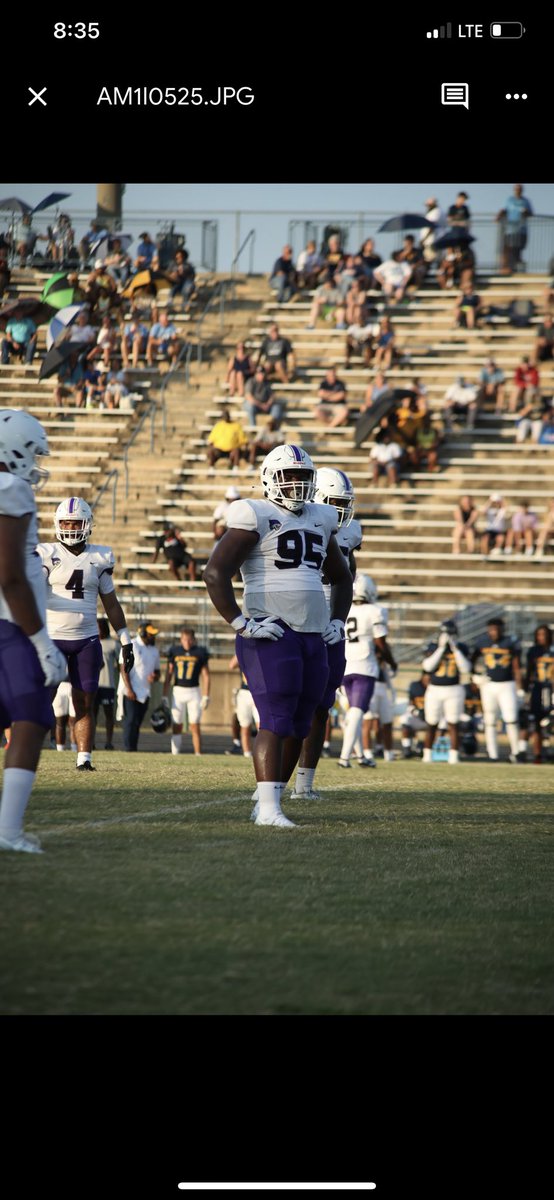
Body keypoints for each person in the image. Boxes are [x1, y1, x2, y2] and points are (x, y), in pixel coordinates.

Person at [203, 443, 353, 828]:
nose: (296, 484)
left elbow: (341, 576)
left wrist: (337, 619)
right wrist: (241, 622)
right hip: (271, 630)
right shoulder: (254, 513)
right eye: (289, 476)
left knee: (301, 722)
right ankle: (268, 808)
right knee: (276, 718)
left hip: (314, 632)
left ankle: (270, 799)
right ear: (270, 478)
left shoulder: (321, 517)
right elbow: (215, 572)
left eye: (303, 477)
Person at [0, 412, 67, 853]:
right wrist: (42, 642)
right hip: (10, 623)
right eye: (34, 451)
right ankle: (8, 831)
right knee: (31, 719)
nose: (37, 462)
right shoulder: (12, 488)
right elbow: (10, 576)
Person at [36, 496, 134, 771]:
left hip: (87, 640)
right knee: (42, 699)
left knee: (84, 702)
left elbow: (111, 603)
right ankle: (30, 751)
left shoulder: (99, 557)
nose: (69, 527)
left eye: (75, 522)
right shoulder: (46, 553)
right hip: (52, 637)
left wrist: (125, 639)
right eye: (65, 522)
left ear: (87, 525)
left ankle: (84, 759)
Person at [289, 468, 362, 800]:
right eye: (333, 502)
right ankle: (274, 780)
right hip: (298, 620)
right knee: (289, 703)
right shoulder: (300, 521)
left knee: (322, 706)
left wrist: (339, 617)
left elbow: (348, 572)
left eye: (344, 503)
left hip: (330, 626)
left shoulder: (349, 532)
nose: (340, 510)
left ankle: (304, 785)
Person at [337, 574, 396, 768]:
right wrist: (392, 662)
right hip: (365, 665)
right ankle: (345, 757)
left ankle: (361, 755)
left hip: (344, 664)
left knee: (352, 714)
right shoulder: (375, 610)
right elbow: (380, 642)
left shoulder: (343, 607)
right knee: (356, 712)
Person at [472, 616, 523, 762]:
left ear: (502, 630)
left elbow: (517, 665)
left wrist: (520, 687)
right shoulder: (482, 642)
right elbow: (472, 660)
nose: (494, 633)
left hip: (507, 684)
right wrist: (474, 676)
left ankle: (516, 753)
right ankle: (492, 754)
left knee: (511, 719)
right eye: (491, 630)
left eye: (496, 629)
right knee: (490, 720)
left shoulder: (510, 642)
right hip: (488, 685)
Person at [422, 619, 471, 764]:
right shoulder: (433, 646)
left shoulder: (461, 647)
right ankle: (427, 754)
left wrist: (455, 649)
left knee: (453, 723)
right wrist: (441, 648)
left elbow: (466, 669)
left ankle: (454, 756)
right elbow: (428, 667)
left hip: (454, 689)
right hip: (435, 689)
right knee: (431, 722)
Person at [163, 627, 210, 756]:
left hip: (194, 691)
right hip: (178, 691)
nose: (187, 642)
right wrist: (164, 695)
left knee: (195, 725)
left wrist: (206, 695)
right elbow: (169, 674)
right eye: (184, 640)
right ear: (180, 640)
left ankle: (198, 753)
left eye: (189, 640)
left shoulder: (200, 652)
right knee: (177, 724)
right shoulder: (175, 651)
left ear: (194, 640)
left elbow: (206, 675)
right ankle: (175, 753)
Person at [117, 623, 160, 751]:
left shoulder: (154, 650)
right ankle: (128, 749)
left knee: (137, 723)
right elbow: (123, 669)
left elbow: (157, 671)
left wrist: (155, 677)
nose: (153, 637)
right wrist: (129, 689)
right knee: (130, 722)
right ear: (142, 633)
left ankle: (133, 749)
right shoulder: (132, 645)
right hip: (130, 691)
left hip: (145, 692)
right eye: (150, 634)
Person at [524, 625, 554, 763]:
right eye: (540, 634)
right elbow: (529, 672)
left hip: (552, 689)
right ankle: (537, 755)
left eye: (545, 634)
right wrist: (525, 691)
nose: (542, 637)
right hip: (538, 689)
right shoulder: (533, 651)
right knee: (536, 722)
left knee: (549, 722)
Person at [94, 618, 118, 750]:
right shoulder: (90, 641)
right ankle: (90, 741)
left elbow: (121, 664)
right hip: (93, 684)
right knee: (92, 714)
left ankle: (109, 742)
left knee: (109, 715)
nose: (98, 630)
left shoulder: (113, 644)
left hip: (108, 684)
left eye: (100, 627)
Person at [497, 184, 533, 273]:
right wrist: (499, 216)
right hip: (510, 229)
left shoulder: (526, 201)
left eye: (519, 189)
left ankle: (516, 268)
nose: (517, 191)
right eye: (516, 189)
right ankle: (509, 267)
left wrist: (526, 212)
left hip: (521, 230)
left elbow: (531, 213)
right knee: (509, 249)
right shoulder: (509, 200)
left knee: (518, 249)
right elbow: (504, 210)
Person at [228, 654, 258, 756]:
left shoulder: (261, 650)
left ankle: (260, 753)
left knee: (262, 727)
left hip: (259, 692)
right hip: (244, 692)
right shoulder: (243, 652)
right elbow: (232, 665)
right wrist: (240, 650)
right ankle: (247, 753)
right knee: (245, 725)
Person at [206, 407, 249, 472]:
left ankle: (235, 468)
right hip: (219, 450)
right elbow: (211, 440)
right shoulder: (218, 426)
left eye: (226, 415)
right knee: (211, 451)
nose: (225, 417)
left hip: (232, 450)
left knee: (236, 450)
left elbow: (243, 440)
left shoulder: (236, 425)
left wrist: (242, 447)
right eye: (224, 415)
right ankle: (211, 468)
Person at [400, 671, 430, 757]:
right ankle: (407, 749)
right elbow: (410, 703)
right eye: (426, 678)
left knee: (443, 723)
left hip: (433, 717)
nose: (428, 680)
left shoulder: (436, 687)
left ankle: (427, 748)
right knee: (405, 720)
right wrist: (417, 712)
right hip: (418, 716)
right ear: (422, 677)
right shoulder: (415, 686)